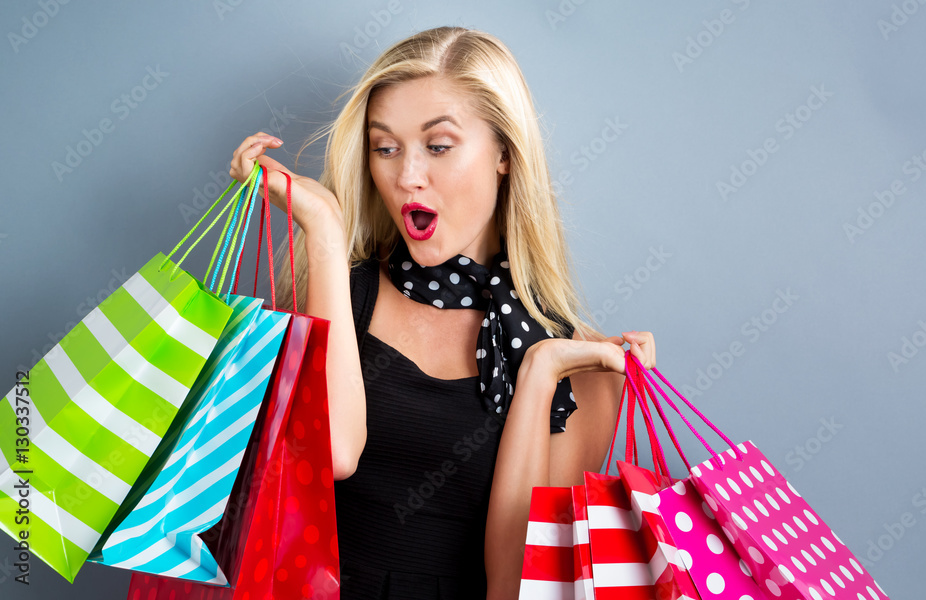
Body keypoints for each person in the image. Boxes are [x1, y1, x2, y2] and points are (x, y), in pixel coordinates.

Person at [228, 26, 657, 600]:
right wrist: (325, 237)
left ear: (505, 154)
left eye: (438, 146)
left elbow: (518, 588)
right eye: (386, 148)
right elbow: (333, 454)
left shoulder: (580, 367)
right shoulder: (337, 293)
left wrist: (536, 373)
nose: (407, 177)